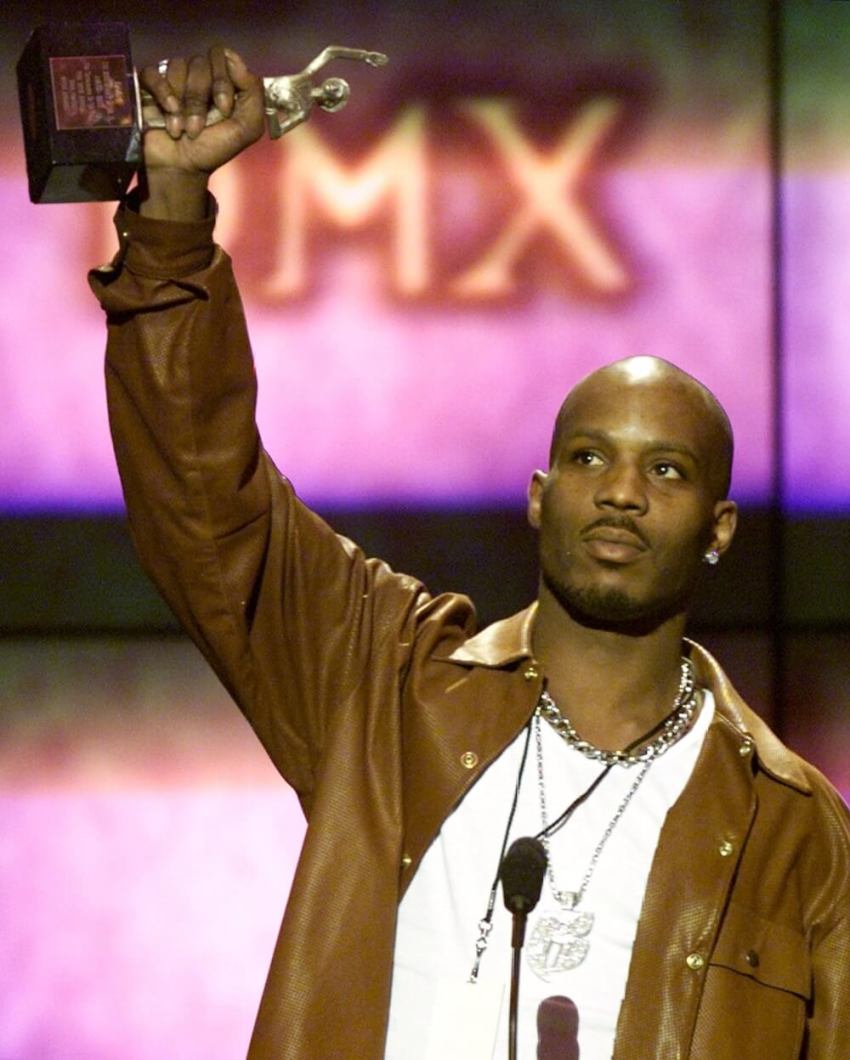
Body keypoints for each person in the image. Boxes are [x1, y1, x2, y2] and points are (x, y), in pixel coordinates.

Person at [91, 46, 850, 1059]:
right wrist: (172, 217)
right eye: (589, 457)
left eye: (665, 471)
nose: (620, 491)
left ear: (718, 530)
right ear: (540, 498)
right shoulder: (387, 681)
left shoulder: (792, 828)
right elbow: (205, 504)